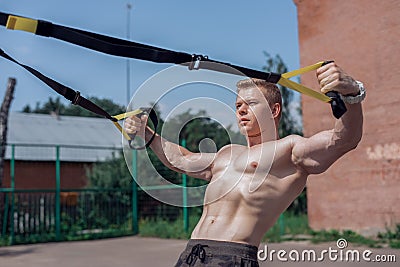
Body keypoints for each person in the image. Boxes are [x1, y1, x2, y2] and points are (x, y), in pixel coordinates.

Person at [124, 62, 364, 266]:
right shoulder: (227, 153)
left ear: (274, 110)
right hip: (191, 254)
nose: (241, 111)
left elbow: (343, 140)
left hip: (232, 257)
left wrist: (352, 95)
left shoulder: (290, 150)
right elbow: (183, 160)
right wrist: (150, 136)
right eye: (238, 106)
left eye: (250, 104)